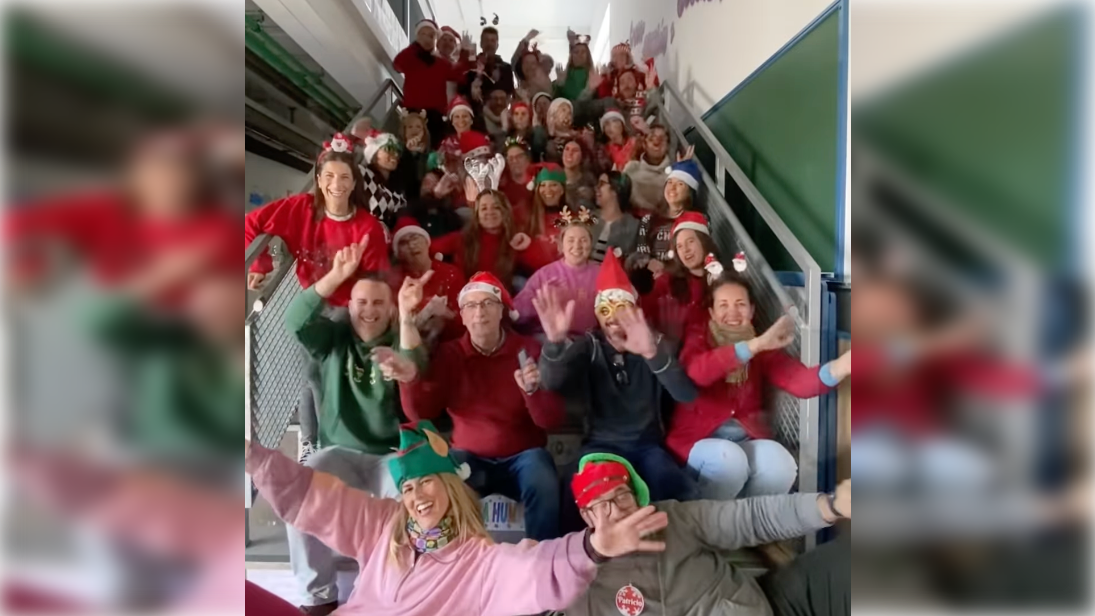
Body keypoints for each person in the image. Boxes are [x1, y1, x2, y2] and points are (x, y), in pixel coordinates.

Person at [245, 420, 672, 615]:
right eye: (408, 487)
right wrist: (252, 457)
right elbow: (316, 500)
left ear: (450, 486)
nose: (416, 496)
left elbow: (535, 568)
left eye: (427, 482)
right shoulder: (383, 526)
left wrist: (591, 548)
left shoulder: (481, 564)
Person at [281, 241, 428, 614]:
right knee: (299, 489)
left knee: (410, 504)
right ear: (350, 306)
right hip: (339, 454)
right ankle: (318, 598)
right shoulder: (333, 340)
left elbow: (413, 363)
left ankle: (387, 594)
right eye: (362, 302)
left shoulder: (400, 336)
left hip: (391, 455)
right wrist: (337, 276)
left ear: (390, 308)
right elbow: (294, 320)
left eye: (379, 303)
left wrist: (407, 325)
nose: (369, 310)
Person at [387, 272, 568, 540]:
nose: (479, 312)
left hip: (523, 456)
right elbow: (422, 414)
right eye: (470, 306)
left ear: (501, 311)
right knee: (443, 480)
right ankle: (454, 559)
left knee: (542, 476)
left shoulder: (527, 349)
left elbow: (551, 420)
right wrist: (410, 380)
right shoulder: (450, 354)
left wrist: (532, 391)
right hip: (469, 457)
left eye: (487, 304)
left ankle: (541, 561)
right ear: (461, 316)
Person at [561, 453, 851, 616]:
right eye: (599, 506)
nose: (615, 512)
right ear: (587, 518)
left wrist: (830, 506)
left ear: (637, 497)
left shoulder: (674, 518)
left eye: (621, 496)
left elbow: (750, 519)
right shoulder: (581, 579)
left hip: (765, 605)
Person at [537, 251, 700, 527]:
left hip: (648, 445)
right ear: (598, 317)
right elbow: (552, 382)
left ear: (635, 310)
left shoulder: (656, 343)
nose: (613, 320)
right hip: (600, 445)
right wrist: (554, 343)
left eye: (620, 310)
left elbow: (687, 395)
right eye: (605, 312)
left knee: (676, 488)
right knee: (573, 493)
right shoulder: (589, 346)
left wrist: (652, 354)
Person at [670, 273, 852, 499]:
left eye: (740, 304)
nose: (733, 312)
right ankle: (709, 528)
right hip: (697, 442)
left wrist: (842, 366)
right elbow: (697, 374)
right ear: (712, 313)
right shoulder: (699, 338)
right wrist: (754, 346)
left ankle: (748, 526)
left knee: (781, 464)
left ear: (752, 310)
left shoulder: (762, 345)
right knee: (730, 461)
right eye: (723, 305)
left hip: (744, 439)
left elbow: (798, 381)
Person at [430, 190, 552, 290]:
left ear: (505, 211)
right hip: (468, 298)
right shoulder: (462, 238)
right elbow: (427, 248)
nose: (490, 212)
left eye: (496, 207)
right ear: (477, 215)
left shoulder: (515, 238)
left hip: (502, 300)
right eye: (484, 208)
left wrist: (528, 246)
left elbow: (545, 268)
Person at [513, 206, 600, 336]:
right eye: (571, 240)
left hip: (590, 340)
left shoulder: (601, 272)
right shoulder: (545, 275)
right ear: (561, 245)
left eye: (583, 240)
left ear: (591, 244)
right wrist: (541, 298)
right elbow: (517, 312)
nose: (577, 246)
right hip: (550, 339)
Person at [640, 211, 718, 339]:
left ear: (704, 242)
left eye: (690, 241)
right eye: (679, 246)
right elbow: (645, 311)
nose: (685, 250)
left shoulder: (720, 279)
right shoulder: (666, 281)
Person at [394, 20, 471, 149]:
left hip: (435, 116)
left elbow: (460, 74)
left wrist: (466, 52)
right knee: (410, 149)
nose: (427, 39)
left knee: (433, 150)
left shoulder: (440, 63)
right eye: (423, 34)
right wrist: (415, 46)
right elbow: (397, 64)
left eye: (431, 36)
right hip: (413, 112)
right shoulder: (410, 57)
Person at [389, 218, 466, 345]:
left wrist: (448, 315)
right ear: (398, 253)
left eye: (415, 238)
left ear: (427, 243)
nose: (411, 245)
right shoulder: (394, 279)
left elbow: (466, 319)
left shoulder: (451, 273)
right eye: (403, 242)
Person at [637, 155, 702, 266]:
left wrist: (666, 269)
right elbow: (641, 252)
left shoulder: (696, 222)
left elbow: (696, 260)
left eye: (680, 184)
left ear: (689, 192)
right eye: (670, 182)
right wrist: (649, 262)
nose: (672, 188)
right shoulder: (648, 219)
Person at [360, 131, 409, 231]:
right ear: (374, 153)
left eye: (398, 151)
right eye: (389, 149)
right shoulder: (361, 173)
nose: (395, 154)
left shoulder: (399, 191)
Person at [622, 124, 673, 215]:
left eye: (662, 139)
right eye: (652, 138)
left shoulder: (672, 177)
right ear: (644, 144)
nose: (657, 142)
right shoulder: (631, 168)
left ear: (667, 147)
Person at [590, 172, 641, 263]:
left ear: (615, 190)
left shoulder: (634, 227)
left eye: (601, 184)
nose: (596, 188)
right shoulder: (588, 218)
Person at [403, 169, 466, 238]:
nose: (425, 186)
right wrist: (435, 196)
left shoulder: (450, 217)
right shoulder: (411, 208)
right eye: (425, 182)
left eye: (429, 183)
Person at [525, 163, 570, 255]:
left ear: (562, 189)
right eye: (543, 185)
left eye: (553, 185)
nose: (547, 190)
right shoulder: (527, 216)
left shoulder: (572, 218)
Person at [394, 107, 433, 191]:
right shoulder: (397, 150)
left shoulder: (429, 154)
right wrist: (408, 152)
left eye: (418, 126)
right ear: (404, 131)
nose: (414, 130)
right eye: (410, 127)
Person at [436, 95, 477, 175]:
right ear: (452, 122)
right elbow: (440, 166)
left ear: (471, 120)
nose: (461, 120)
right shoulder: (446, 144)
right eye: (457, 117)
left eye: (465, 116)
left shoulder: (482, 141)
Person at [499, 137, 534, 225]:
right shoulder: (501, 185)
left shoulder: (539, 181)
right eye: (510, 158)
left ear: (528, 158)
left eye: (519, 156)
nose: (515, 161)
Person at [512, 30, 554, 100]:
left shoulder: (542, 75)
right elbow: (514, 61)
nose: (529, 66)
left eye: (533, 63)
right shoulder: (522, 79)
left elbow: (548, 62)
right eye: (526, 63)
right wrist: (526, 39)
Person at [554, 30, 595, 102]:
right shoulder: (564, 75)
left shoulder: (592, 75)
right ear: (572, 56)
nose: (580, 55)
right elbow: (555, 100)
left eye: (583, 52)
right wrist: (559, 84)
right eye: (576, 52)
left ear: (588, 55)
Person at [477, 25, 515, 95]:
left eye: (492, 41)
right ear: (481, 43)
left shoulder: (506, 68)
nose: (489, 44)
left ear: (497, 45)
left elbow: (509, 93)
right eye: (486, 40)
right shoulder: (472, 66)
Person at [562, 139, 598, 206]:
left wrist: (592, 195)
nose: (570, 153)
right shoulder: (555, 178)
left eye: (575, 150)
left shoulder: (589, 179)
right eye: (567, 149)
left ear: (582, 156)